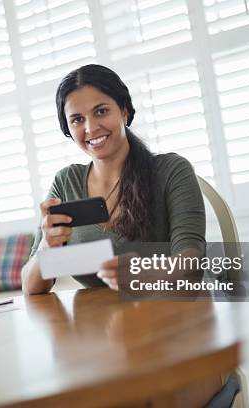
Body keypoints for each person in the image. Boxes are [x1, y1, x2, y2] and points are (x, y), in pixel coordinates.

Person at [21, 64, 206, 295]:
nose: (91, 128)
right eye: (77, 119)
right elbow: (30, 286)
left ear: (124, 111)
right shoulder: (65, 182)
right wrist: (47, 248)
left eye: (101, 111)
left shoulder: (171, 170)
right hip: (101, 323)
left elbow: (192, 264)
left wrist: (145, 274)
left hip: (171, 312)